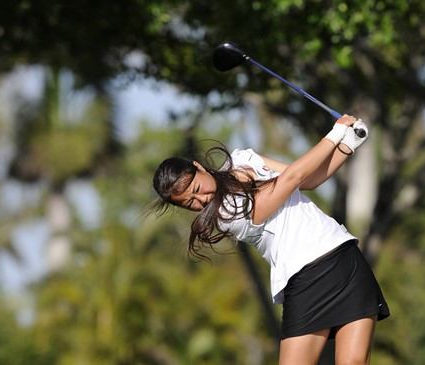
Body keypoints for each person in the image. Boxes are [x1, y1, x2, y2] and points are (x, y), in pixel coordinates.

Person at [150, 114, 389, 365]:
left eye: (197, 190)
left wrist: (347, 145)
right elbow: (291, 178)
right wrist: (334, 134)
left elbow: (308, 180)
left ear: (198, 167)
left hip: (343, 258)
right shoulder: (224, 215)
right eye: (189, 203)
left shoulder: (242, 159)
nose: (201, 201)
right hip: (304, 279)